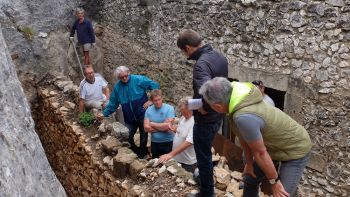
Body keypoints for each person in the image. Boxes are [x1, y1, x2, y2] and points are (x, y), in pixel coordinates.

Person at [199, 77, 312, 197]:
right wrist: (249, 163)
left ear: (217, 107)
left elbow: (261, 153)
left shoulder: (243, 116)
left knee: (283, 194)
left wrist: (274, 182)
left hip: (295, 148)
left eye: (210, 105)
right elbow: (244, 137)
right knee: (250, 179)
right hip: (272, 145)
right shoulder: (237, 97)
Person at [177, 29, 228, 197]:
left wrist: (204, 107)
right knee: (206, 153)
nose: (185, 55)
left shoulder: (201, 64)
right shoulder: (219, 56)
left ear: (187, 48)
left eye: (183, 51)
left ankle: (207, 193)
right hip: (218, 116)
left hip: (206, 120)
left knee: (204, 158)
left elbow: (209, 90)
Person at [102, 66, 159, 158]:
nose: (124, 78)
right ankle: (135, 151)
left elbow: (155, 86)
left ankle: (142, 155)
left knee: (143, 138)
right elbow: (113, 104)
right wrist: (104, 114)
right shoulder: (117, 88)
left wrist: (151, 101)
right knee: (127, 136)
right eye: (121, 77)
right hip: (129, 118)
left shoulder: (138, 79)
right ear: (118, 78)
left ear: (129, 73)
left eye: (126, 75)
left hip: (143, 114)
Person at [158, 97, 197, 173]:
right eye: (181, 110)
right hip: (177, 160)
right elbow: (181, 131)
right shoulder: (183, 118)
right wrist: (173, 129)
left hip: (188, 164)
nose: (181, 112)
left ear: (189, 108)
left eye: (183, 110)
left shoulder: (195, 121)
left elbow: (189, 142)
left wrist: (170, 155)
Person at [144, 90, 175, 158]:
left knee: (168, 164)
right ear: (152, 101)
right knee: (156, 164)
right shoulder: (148, 110)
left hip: (168, 141)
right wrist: (162, 127)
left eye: (159, 99)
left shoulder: (169, 108)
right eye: (155, 100)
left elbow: (167, 126)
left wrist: (152, 124)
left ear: (162, 98)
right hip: (155, 142)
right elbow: (146, 128)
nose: (158, 102)